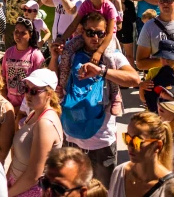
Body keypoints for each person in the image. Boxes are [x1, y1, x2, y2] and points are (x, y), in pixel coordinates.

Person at [56, 11, 138, 185]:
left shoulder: (113, 56)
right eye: (90, 32)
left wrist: (102, 71)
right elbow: (53, 78)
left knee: (103, 189)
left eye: (100, 33)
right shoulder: (71, 55)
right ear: (82, 32)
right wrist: (54, 55)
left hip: (101, 141)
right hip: (72, 136)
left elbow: (135, 79)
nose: (95, 37)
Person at [7, 70, 64, 197]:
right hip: (17, 187)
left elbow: (34, 175)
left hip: (29, 191)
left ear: (49, 94)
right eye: (26, 89)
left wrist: (5, 194)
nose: (28, 94)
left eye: (34, 91)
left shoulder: (45, 123)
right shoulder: (33, 114)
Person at [108, 111, 174, 197]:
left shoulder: (171, 188)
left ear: (158, 146)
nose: (130, 145)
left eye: (137, 140)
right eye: (127, 138)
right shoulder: (119, 172)